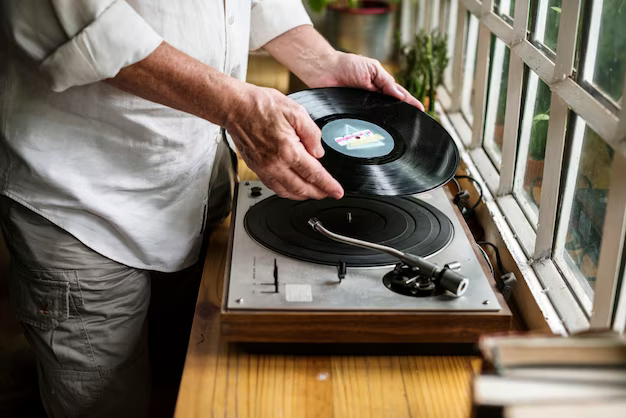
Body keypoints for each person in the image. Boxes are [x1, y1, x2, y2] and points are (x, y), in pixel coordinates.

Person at [0, 1, 423, 416]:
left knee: (182, 381)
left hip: (198, 188)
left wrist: (323, 60)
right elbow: (77, 22)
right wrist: (235, 106)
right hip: (84, 203)